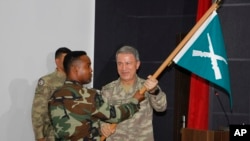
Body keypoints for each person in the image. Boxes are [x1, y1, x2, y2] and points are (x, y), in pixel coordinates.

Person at [48, 51, 145, 141]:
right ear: (76, 69)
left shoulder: (54, 96)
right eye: (88, 66)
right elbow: (116, 116)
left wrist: (100, 128)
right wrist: (135, 101)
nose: (91, 70)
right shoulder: (89, 96)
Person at [100, 45, 167, 141]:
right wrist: (102, 126)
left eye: (128, 63)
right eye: (120, 63)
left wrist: (154, 91)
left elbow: (161, 108)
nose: (124, 68)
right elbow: (98, 117)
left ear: (137, 64)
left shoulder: (148, 86)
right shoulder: (107, 90)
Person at [31, 47, 71, 141]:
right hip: (53, 134)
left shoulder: (75, 81)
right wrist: (39, 136)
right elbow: (38, 111)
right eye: (65, 59)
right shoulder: (47, 81)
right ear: (57, 61)